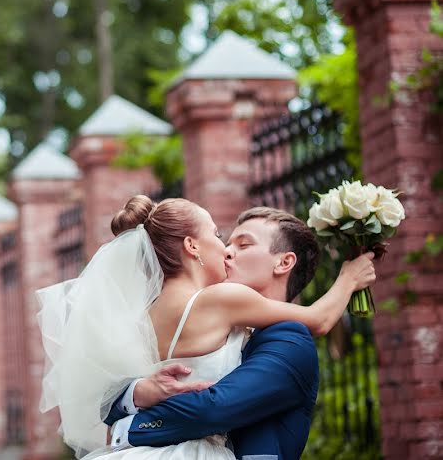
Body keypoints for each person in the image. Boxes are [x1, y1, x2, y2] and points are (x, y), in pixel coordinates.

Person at [36, 196, 375, 460]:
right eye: (218, 235)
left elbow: (108, 395)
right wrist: (348, 278)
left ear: (284, 262)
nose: (225, 248)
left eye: (240, 244)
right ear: (192, 246)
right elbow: (318, 319)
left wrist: (133, 408)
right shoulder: (223, 300)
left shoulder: (141, 315)